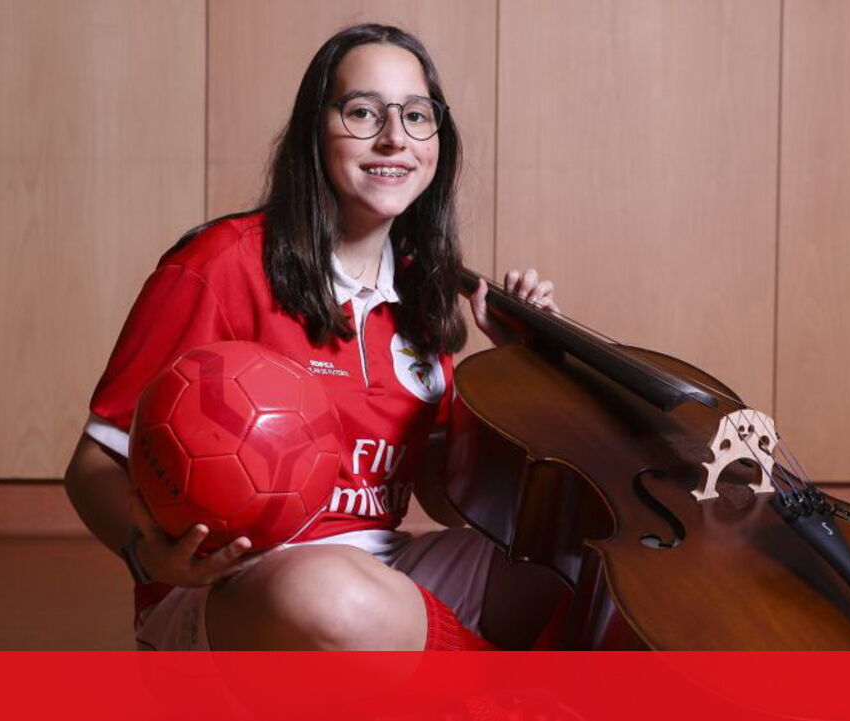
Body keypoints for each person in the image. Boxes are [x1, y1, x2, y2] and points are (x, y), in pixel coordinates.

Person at [63, 24, 560, 651]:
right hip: (238, 585)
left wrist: (522, 375)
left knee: (569, 559)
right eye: (363, 112)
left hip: (382, 570)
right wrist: (146, 555)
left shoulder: (419, 289)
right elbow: (92, 465)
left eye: (416, 115)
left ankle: (452, 678)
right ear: (314, 129)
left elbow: (441, 498)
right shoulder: (220, 264)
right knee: (329, 596)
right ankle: (500, 690)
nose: (394, 137)